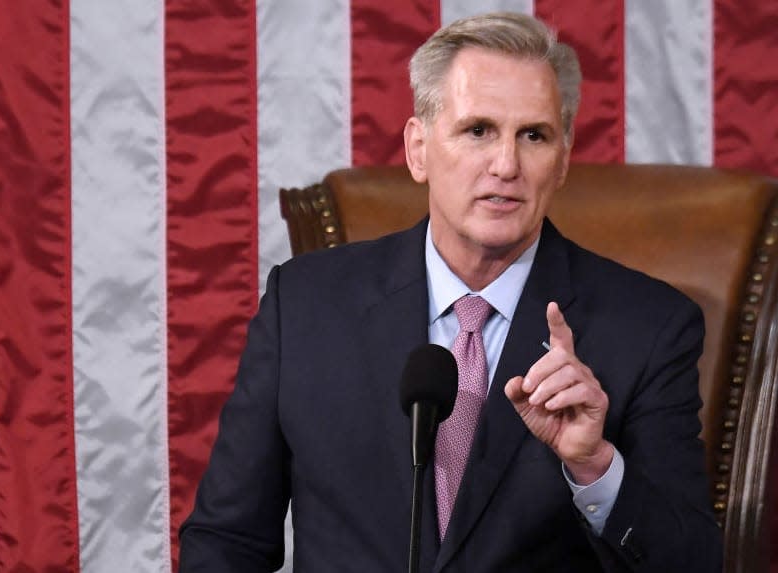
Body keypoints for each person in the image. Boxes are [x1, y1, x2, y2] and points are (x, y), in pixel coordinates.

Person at [179, 12, 721, 572]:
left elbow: (693, 563)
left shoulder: (648, 327)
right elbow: (227, 542)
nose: (506, 165)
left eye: (533, 135)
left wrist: (594, 466)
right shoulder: (306, 307)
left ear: (561, 159)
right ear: (418, 150)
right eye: (478, 130)